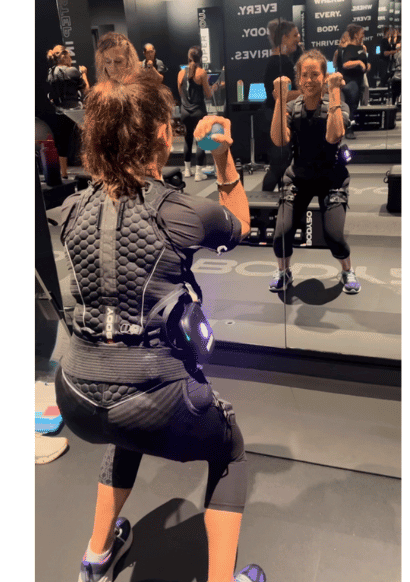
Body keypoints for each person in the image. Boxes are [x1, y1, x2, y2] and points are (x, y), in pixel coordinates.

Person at [54, 69, 263, 582]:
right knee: (230, 448)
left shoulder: (68, 210)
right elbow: (240, 220)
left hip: (75, 395)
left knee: (121, 426)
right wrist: (221, 156)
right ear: (163, 135)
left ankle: (96, 557)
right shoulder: (180, 211)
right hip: (159, 400)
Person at [269, 49, 360, 294]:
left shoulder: (338, 104)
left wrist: (334, 92)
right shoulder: (291, 107)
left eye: (315, 74)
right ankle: (283, 271)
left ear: (324, 76)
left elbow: (334, 137)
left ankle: (347, 270)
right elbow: (279, 140)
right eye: (304, 75)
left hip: (332, 178)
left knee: (334, 237)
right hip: (299, 177)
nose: (309, 80)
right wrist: (280, 99)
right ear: (298, 78)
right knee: (281, 235)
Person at [261, 18, 302, 192]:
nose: (298, 38)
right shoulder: (279, 63)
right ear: (284, 38)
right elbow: (279, 95)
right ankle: (261, 211)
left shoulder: (285, 60)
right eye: (295, 35)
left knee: (283, 164)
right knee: (278, 165)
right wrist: (309, 91)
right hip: (274, 116)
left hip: (279, 115)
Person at [46, 45, 89, 179]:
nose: (70, 57)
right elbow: (86, 90)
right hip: (75, 112)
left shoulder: (51, 72)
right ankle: (91, 170)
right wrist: (84, 73)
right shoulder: (72, 71)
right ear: (64, 56)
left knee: (62, 143)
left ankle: (63, 172)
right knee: (85, 141)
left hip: (60, 112)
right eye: (69, 55)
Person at [177, 46, 213, 181]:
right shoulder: (202, 73)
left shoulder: (181, 73)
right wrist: (215, 87)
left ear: (188, 57)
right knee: (201, 141)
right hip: (199, 112)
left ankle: (187, 170)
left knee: (187, 140)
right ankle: (198, 173)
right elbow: (208, 95)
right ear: (201, 58)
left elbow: (181, 93)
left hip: (185, 112)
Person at [337, 24, 369, 139]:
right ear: (356, 35)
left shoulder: (362, 48)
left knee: (354, 105)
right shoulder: (349, 48)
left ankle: (349, 127)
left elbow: (364, 62)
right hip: (351, 82)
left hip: (359, 80)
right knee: (351, 106)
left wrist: (366, 65)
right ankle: (348, 129)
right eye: (362, 33)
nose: (363, 35)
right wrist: (359, 63)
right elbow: (346, 64)